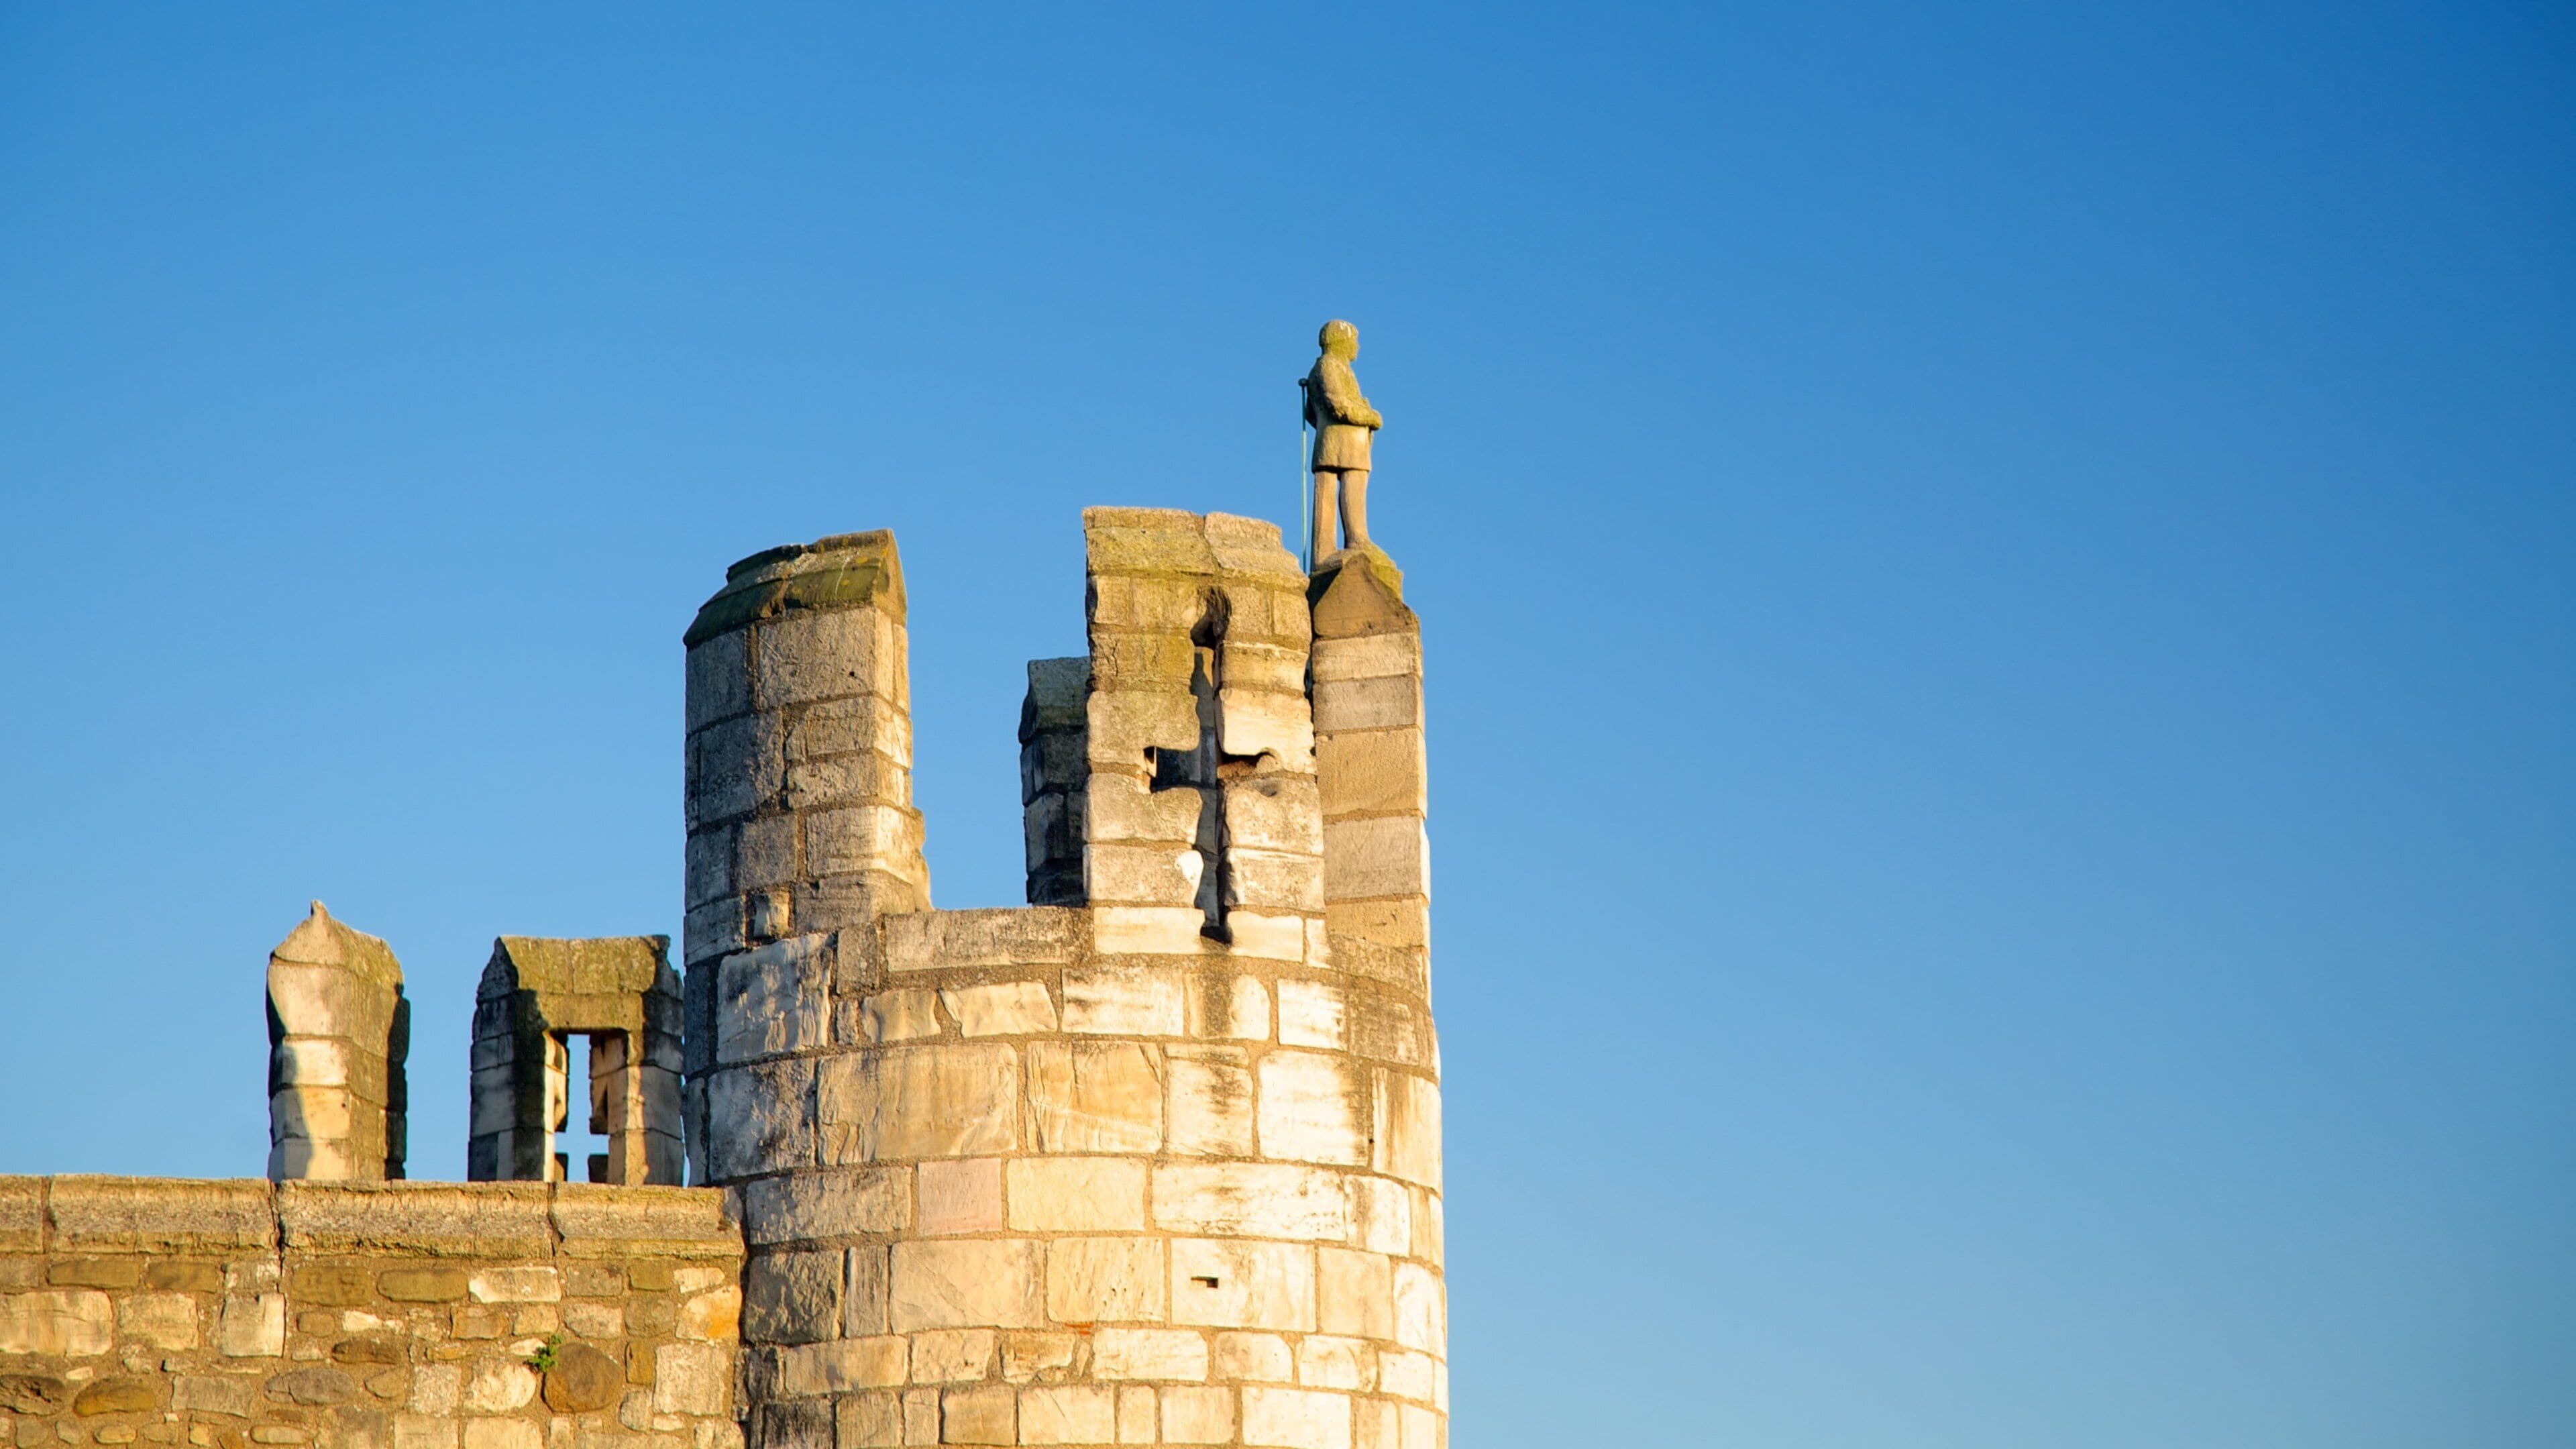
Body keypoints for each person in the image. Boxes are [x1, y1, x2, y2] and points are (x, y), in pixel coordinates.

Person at [1303, 319, 1383, 563]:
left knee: (1351, 483)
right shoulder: (1329, 366)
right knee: (1351, 483)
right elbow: (1336, 403)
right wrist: (1369, 416)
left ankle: (1352, 539)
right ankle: (1355, 539)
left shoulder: (1336, 367)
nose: (1357, 347)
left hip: (1344, 441)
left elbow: (1310, 412)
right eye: (1354, 341)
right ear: (1341, 341)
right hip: (1342, 443)